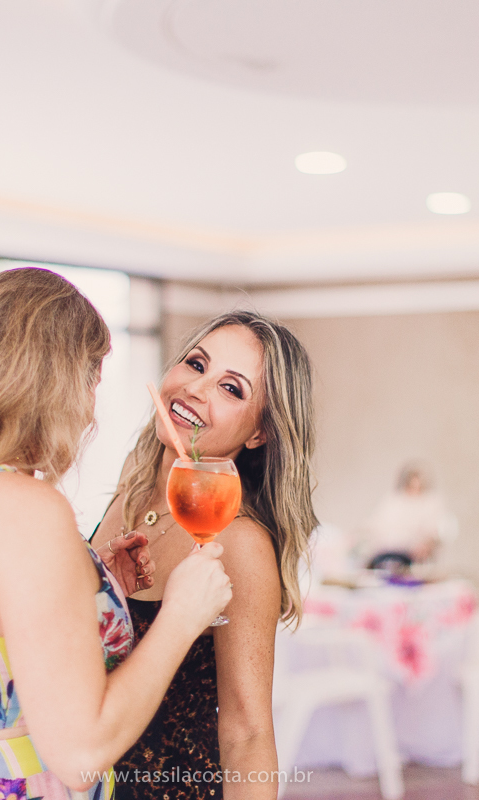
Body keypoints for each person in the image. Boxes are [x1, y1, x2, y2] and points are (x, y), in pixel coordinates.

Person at [0, 267, 232, 799]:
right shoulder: (26, 509)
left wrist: (95, 584)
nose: (89, 412)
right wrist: (182, 616)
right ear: (55, 381)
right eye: (91, 380)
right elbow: (80, 755)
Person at [90, 310, 318, 800]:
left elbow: (248, 736)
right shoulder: (125, 500)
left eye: (231, 389)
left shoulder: (239, 543)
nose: (196, 389)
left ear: (259, 434)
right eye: (196, 365)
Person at [357, 463, 456, 570]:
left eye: (418, 486)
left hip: (415, 558)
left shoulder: (432, 502)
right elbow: (375, 523)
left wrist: (428, 544)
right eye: (411, 486)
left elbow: (438, 530)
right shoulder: (393, 500)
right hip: (385, 555)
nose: (414, 489)